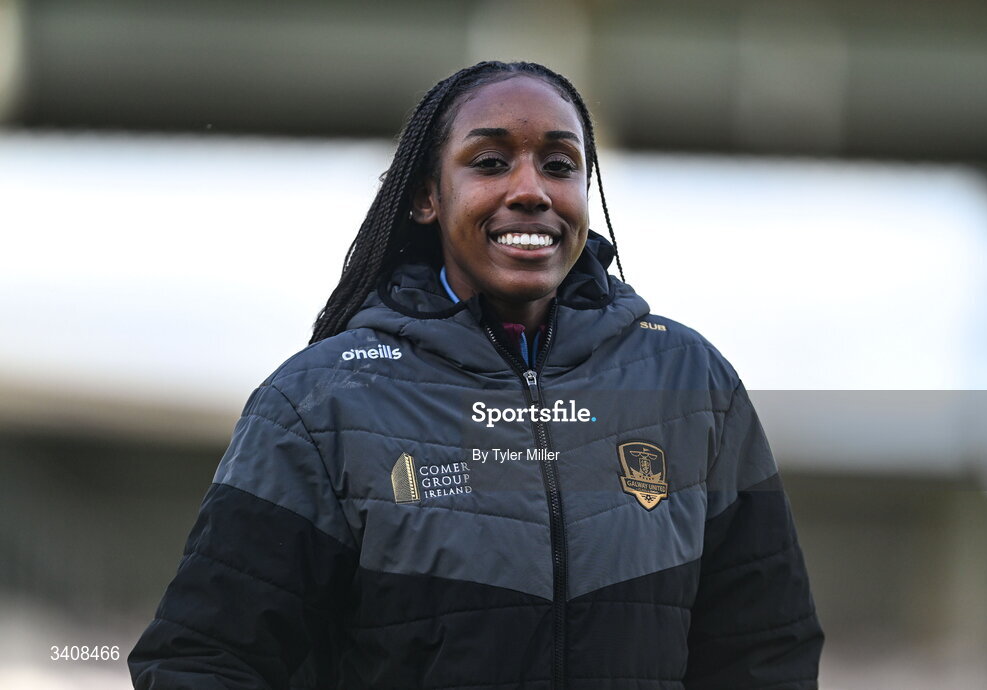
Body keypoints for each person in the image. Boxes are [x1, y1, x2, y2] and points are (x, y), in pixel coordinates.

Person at [129, 60, 824, 689]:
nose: (530, 191)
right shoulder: (319, 402)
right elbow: (202, 660)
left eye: (559, 165)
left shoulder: (690, 384)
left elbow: (766, 652)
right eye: (490, 162)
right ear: (427, 196)